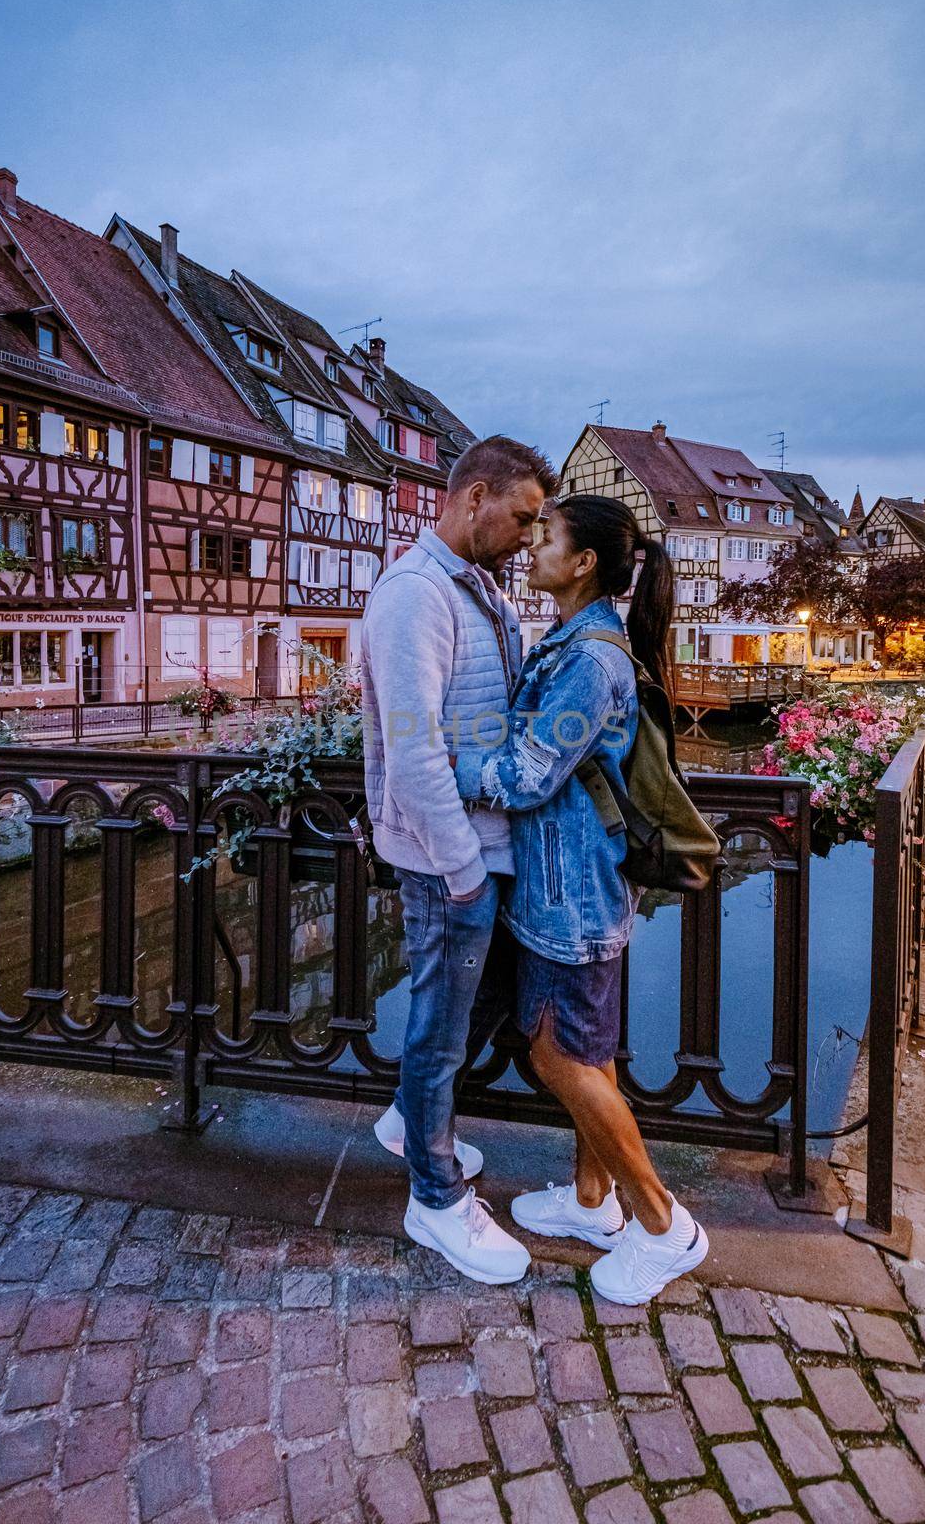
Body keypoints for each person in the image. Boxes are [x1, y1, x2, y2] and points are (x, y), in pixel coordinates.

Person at [453, 494, 709, 1305]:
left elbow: (528, 775)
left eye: (548, 537)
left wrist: (433, 764)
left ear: (585, 562)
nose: (532, 546)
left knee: (558, 1056)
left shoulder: (588, 661)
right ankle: (593, 1203)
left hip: (572, 899)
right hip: (565, 886)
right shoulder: (571, 641)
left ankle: (664, 1226)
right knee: (585, 1052)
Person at [361, 435, 558, 1283]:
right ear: (473, 497)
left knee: (488, 1004)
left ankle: (410, 1122)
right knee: (442, 1032)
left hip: (485, 850)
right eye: (520, 517)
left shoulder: (477, 590)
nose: (527, 535)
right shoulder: (413, 595)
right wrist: (461, 868)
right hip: (450, 859)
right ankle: (434, 1198)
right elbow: (411, 752)